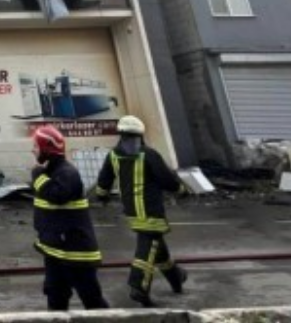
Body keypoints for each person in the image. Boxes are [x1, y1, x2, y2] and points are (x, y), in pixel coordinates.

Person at [95, 114, 188, 307]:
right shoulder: (149, 155)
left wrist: (102, 196)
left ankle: (176, 277)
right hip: (151, 212)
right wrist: (181, 190)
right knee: (147, 249)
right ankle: (139, 287)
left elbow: (103, 181)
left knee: (157, 248)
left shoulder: (113, 155)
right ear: (140, 135)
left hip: (132, 213)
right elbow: (167, 179)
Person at [30, 124, 109, 312]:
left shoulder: (66, 173)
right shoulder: (50, 173)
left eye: (36, 146)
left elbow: (56, 196)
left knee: (92, 301)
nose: (33, 150)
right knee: (55, 297)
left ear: (46, 149)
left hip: (75, 253)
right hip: (55, 251)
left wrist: (37, 175)